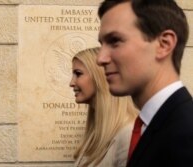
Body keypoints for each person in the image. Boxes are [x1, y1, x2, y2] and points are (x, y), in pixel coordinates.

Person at [97, 0, 193, 167]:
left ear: (164, 44)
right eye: (102, 44)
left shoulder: (185, 134)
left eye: (115, 41)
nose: (100, 59)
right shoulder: (155, 123)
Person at [70, 47, 138, 167]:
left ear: (100, 76)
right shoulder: (95, 134)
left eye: (78, 74)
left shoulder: (129, 134)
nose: (71, 82)